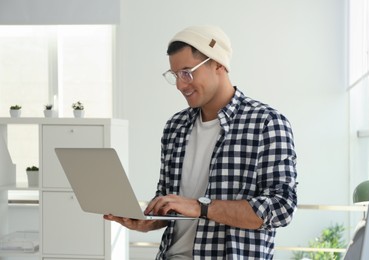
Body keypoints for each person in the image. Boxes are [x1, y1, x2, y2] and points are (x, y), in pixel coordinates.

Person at [104, 25, 298, 259]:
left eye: (187, 72)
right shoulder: (175, 127)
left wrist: (201, 207)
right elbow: (173, 204)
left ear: (219, 64)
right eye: (175, 75)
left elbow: (281, 208)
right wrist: (148, 220)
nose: (180, 85)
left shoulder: (267, 123)